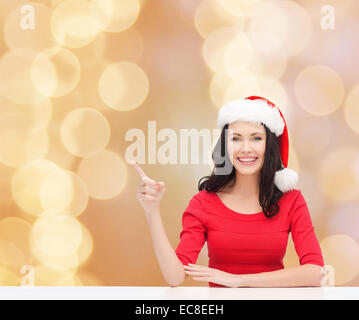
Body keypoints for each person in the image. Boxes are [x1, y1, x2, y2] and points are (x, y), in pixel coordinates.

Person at [132, 95, 325, 288]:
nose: (246, 148)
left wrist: (238, 280)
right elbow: (175, 277)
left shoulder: (292, 200)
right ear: (225, 145)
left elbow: (316, 272)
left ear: (270, 145)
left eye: (256, 138)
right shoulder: (203, 203)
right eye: (236, 139)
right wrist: (152, 211)